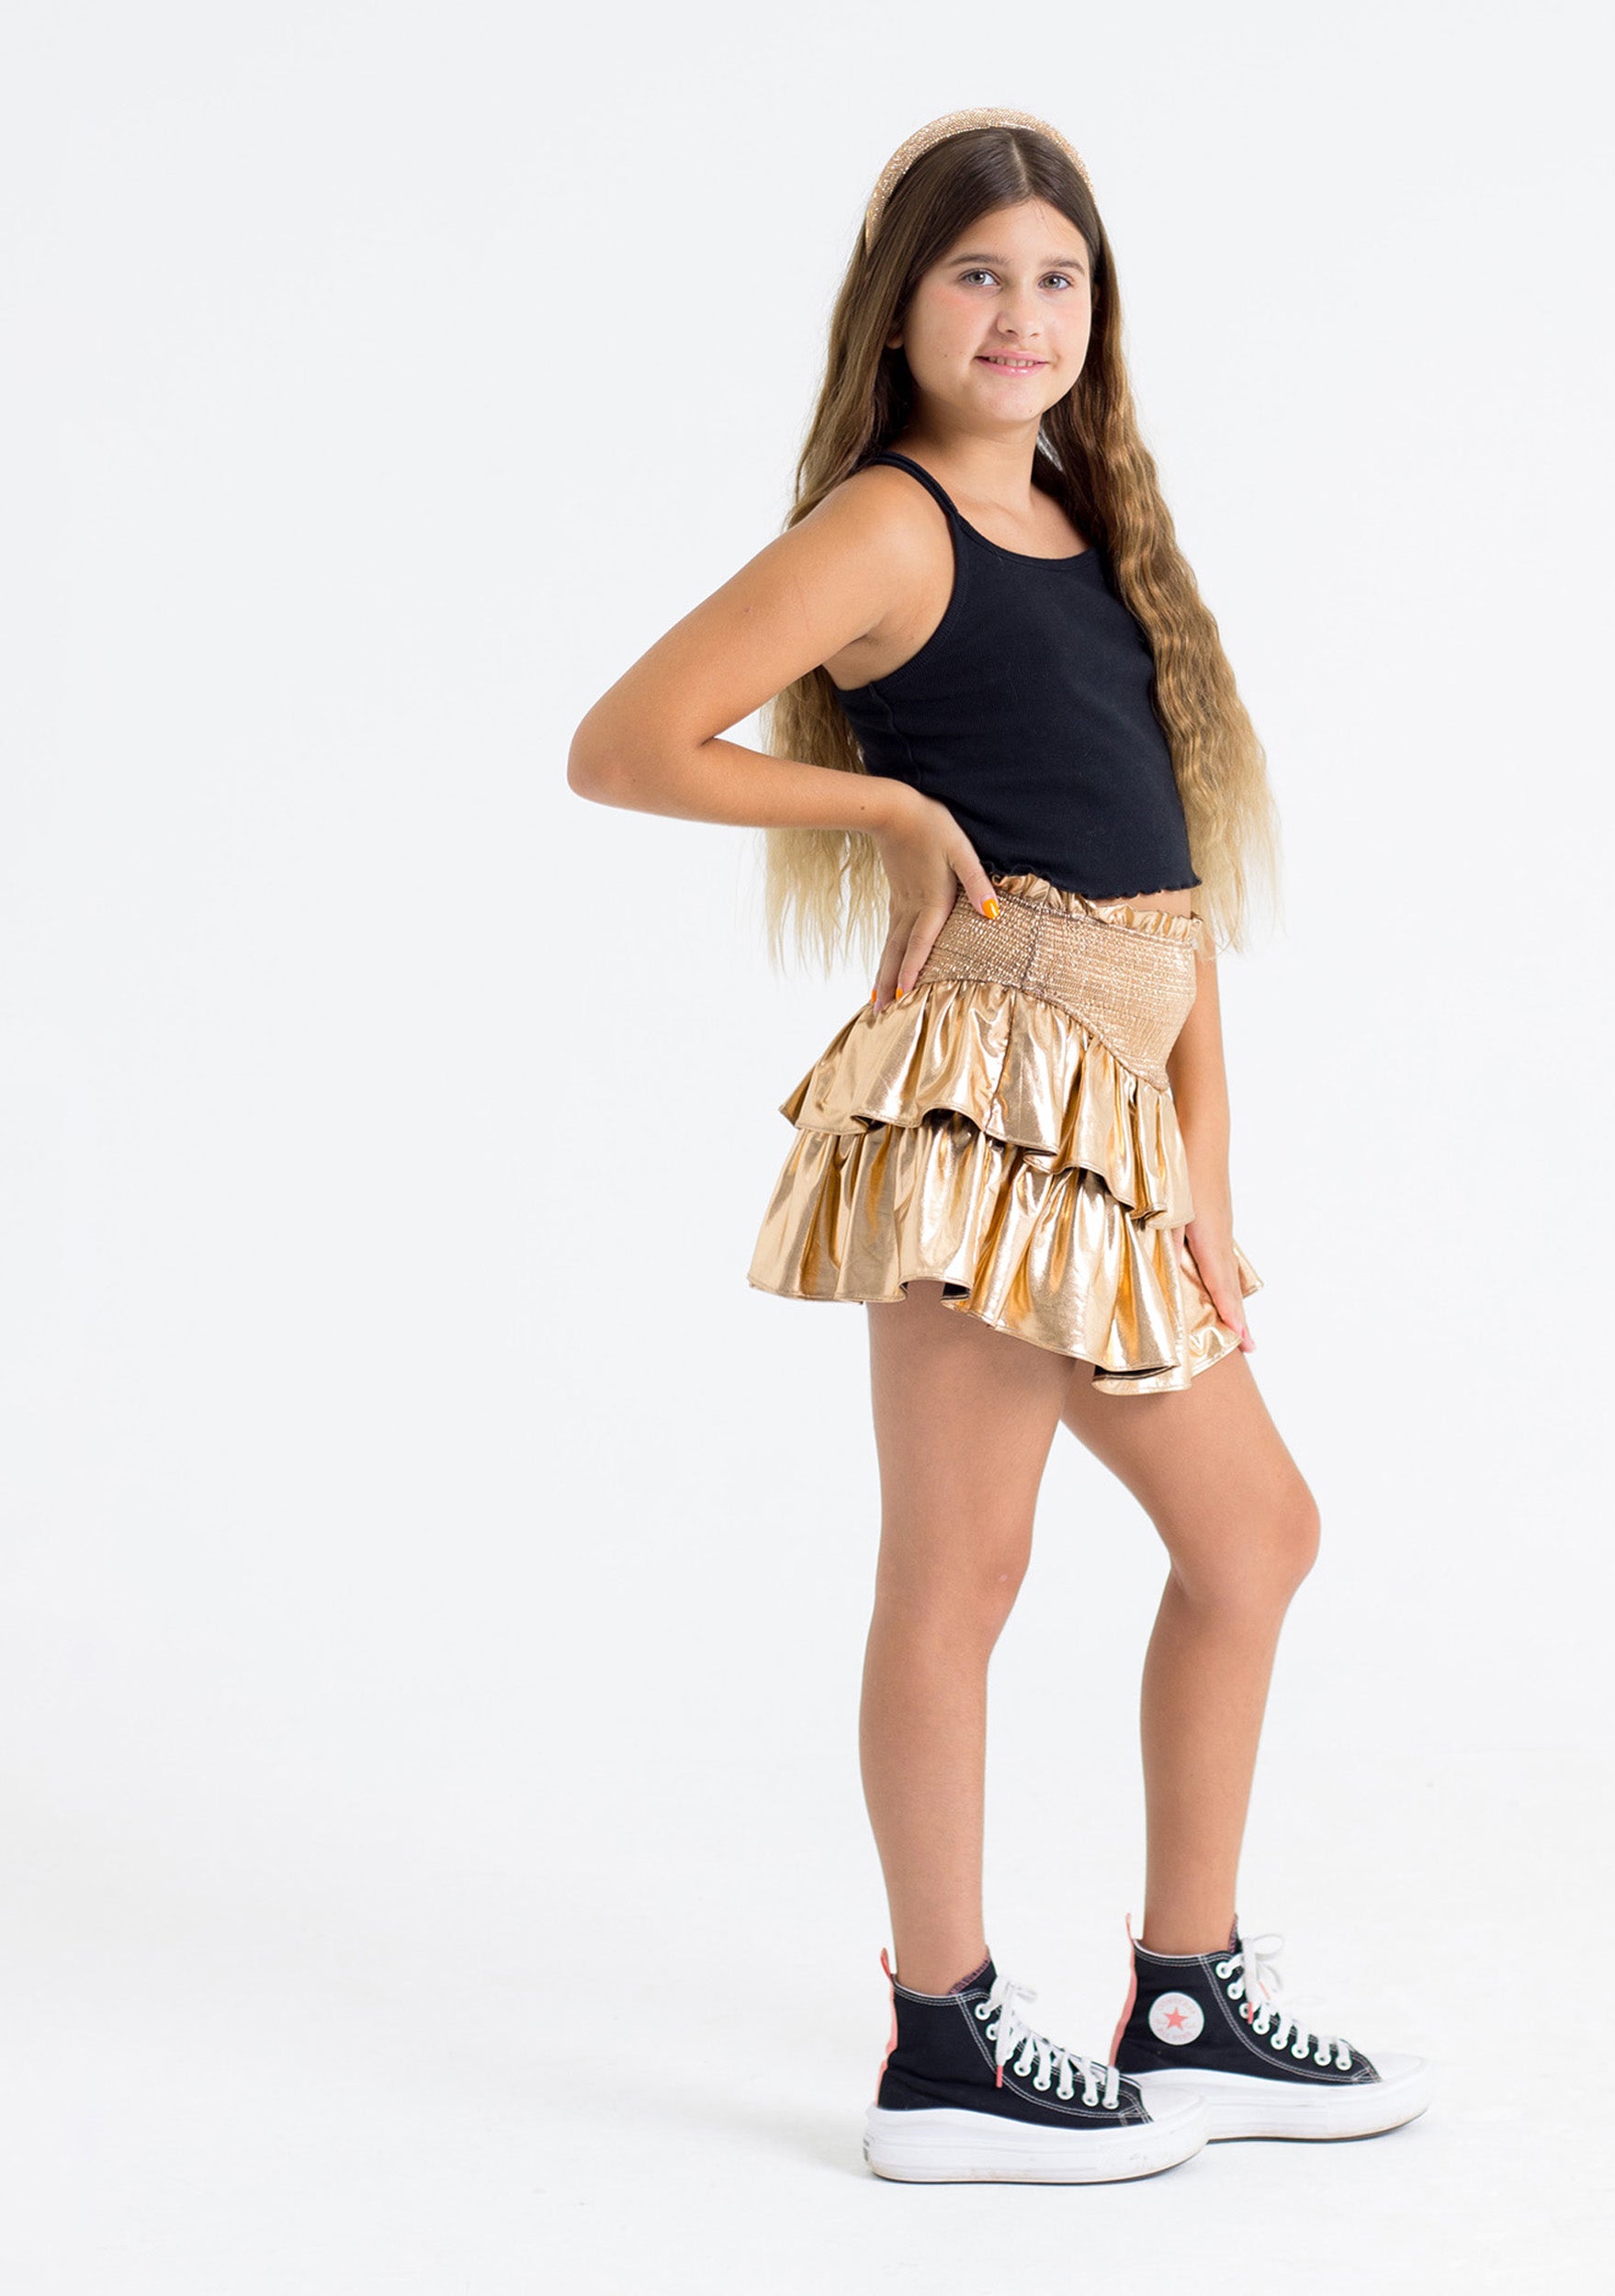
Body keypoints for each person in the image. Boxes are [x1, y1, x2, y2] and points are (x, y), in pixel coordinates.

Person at [568, 107, 1431, 2185]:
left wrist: (1205, 1173)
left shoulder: (1093, 522)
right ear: (899, 312)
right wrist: (881, 808)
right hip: (980, 1100)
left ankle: (1185, 1993)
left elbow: (1169, 892)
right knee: (962, 1569)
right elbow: (624, 743)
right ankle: (943, 2040)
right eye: (978, 275)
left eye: (1057, 279)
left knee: (1255, 1536)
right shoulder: (886, 528)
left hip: (1111, 1114)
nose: (1021, 313)